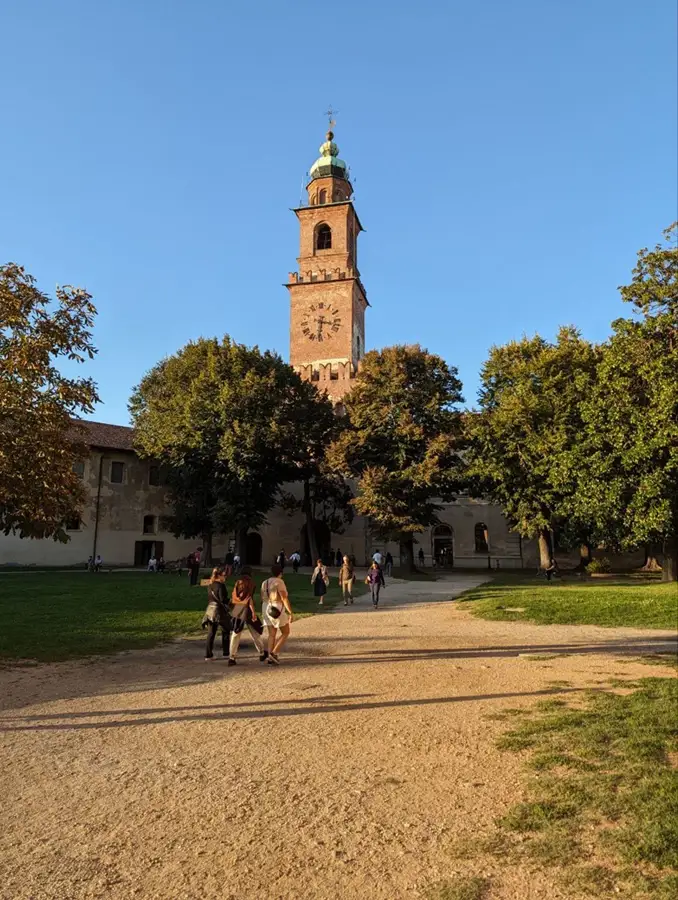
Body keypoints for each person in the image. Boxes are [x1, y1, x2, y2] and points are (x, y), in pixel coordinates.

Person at [227, 566, 267, 665]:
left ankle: (232, 657)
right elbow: (249, 599)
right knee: (254, 632)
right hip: (246, 609)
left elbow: (234, 596)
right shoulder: (250, 583)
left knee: (236, 633)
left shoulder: (238, 582)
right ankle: (262, 652)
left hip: (237, 608)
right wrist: (253, 612)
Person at [261, 564, 292, 665]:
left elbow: (262, 596)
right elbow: (284, 597)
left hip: (266, 606)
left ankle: (270, 657)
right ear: (280, 573)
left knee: (272, 634)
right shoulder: (279, 582)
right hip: (276, 606)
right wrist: (290, 612)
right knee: (286, 632)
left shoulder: (264, 582)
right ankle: (274, 653)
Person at [201, 567, 230, 660]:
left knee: (211, 633)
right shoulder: (221, 586)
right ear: (219, 575)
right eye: (224, 575)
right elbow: (223, 599)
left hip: (210, 610)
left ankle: (208, 654)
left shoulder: (210, 585)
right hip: (219, 610)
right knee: (226, 630)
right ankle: (226, 652)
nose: (225, 577)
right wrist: (230, 601)